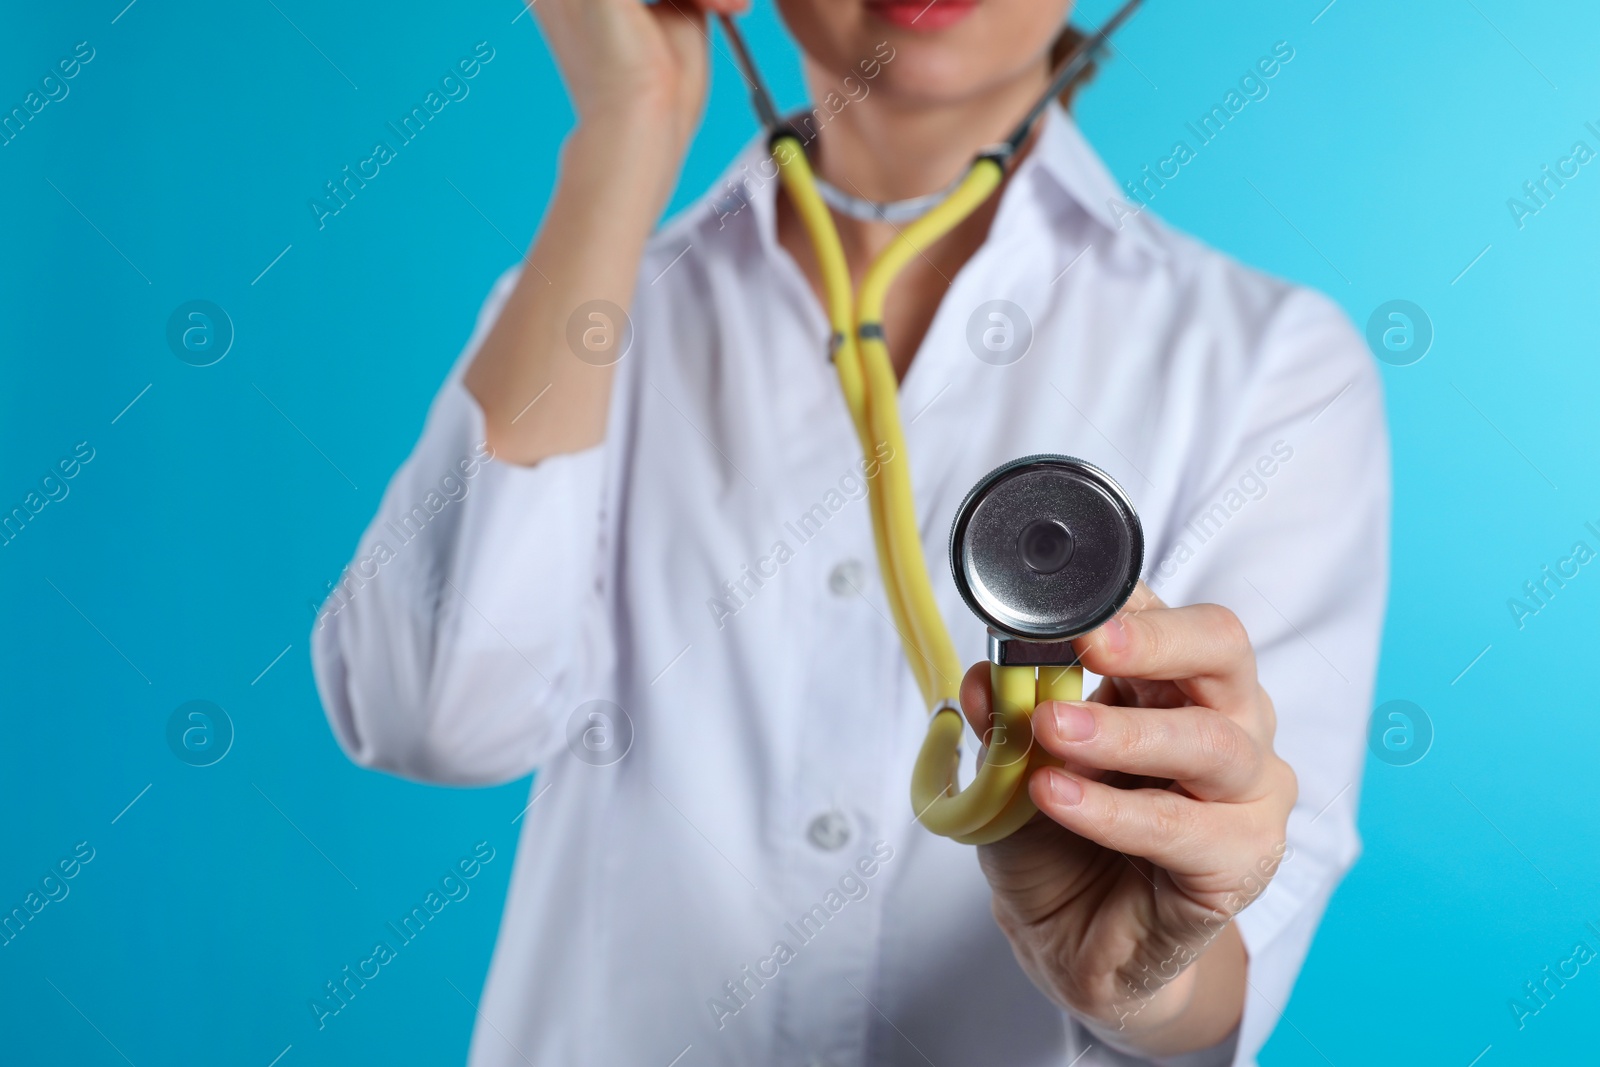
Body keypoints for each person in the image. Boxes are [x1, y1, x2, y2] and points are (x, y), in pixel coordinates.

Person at [311, 0, 1388, 1063]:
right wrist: (625, 128)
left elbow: (1235, 938)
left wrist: (1135, 979)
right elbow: (429, 713)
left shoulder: (1269, 366)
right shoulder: (583, 313)